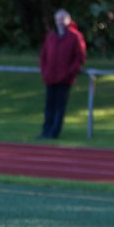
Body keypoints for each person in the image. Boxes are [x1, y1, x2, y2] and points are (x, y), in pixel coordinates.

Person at [38, 8, 87, 139]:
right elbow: (43, 56)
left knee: (59, 107)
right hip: (50, 77)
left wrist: (70, 72)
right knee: (49, 106)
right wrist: (45, 71)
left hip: (64, 79)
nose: (59, 22)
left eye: (62, 19)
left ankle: (54, 132)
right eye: (57, 19)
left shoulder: (75, 37)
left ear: (68, 20)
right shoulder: (51, 36)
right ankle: (45, 131)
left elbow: (80, 58)